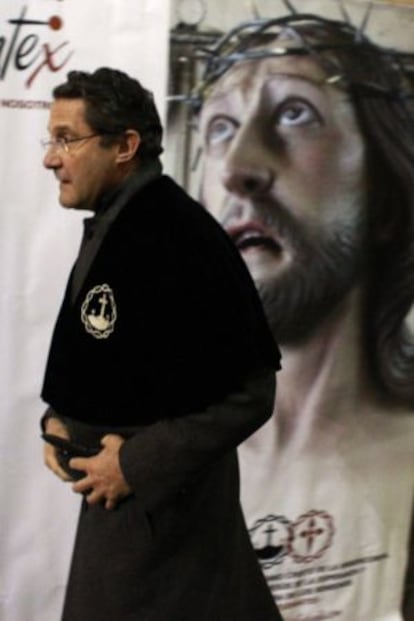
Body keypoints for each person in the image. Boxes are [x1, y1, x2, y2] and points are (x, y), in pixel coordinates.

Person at [39, 67, 283, 621]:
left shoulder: (182, 238)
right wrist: (62, 419)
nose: (51, 159)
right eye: (51, 140)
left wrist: (135, 464)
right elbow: (114, 355)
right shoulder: (120, 224)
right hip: (128, 516)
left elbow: (251, 393)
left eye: (66, 139)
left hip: (164, 526)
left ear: (125, 145)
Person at [195, 13, 414, 621]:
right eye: (220, 127)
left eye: (295, 112)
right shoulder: (162, 457)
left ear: (385, 200)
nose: (238, 168)